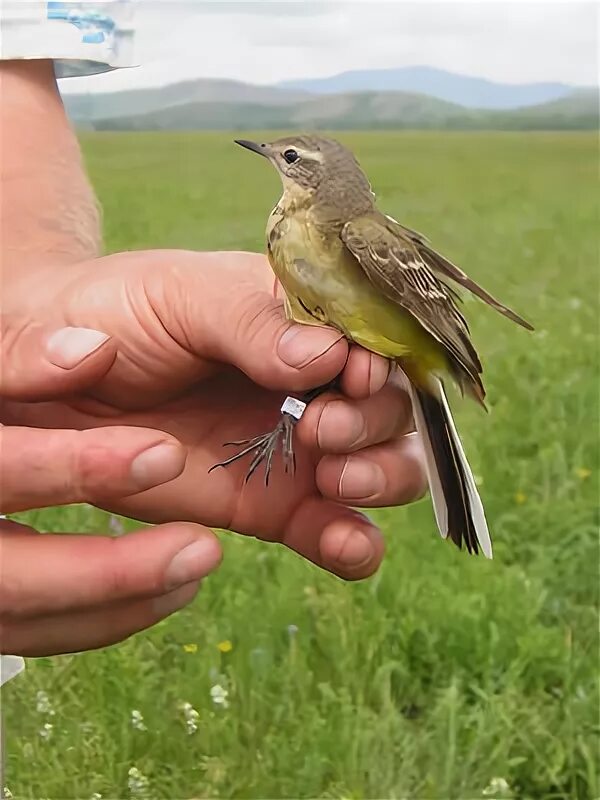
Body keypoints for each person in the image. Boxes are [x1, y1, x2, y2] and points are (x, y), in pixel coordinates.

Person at [0, 6, 426, 661]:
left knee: (322, 370)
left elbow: (14, 62)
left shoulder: (348, 231)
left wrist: (37, 313)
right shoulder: (293, 227)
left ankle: (293, 412)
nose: (271, 159)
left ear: (313, 179)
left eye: (286, 157)